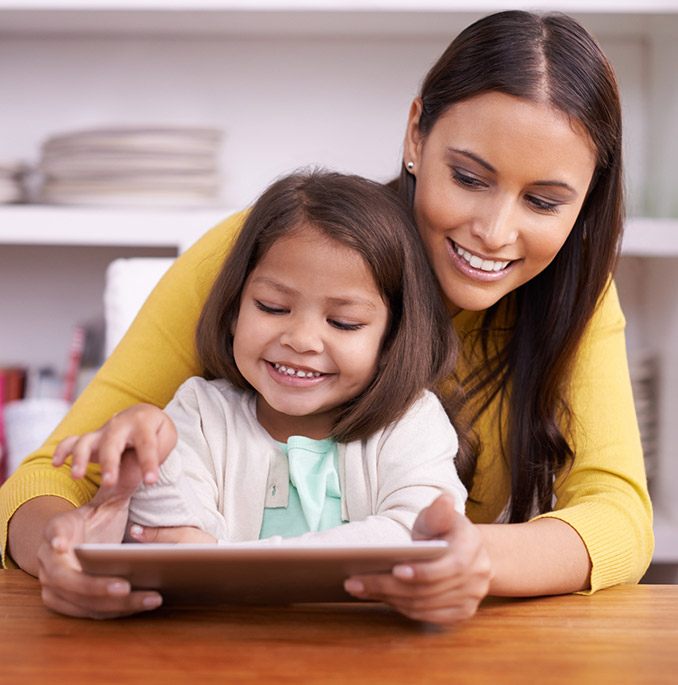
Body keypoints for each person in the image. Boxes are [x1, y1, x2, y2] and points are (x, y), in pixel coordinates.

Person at [0, 9, 653, 625]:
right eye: (469, 177)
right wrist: (57, 550)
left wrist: (474, 558)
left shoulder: (574, 298)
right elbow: (48, 477)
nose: (494, 230)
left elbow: (621, 517)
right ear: (417, 133)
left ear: (586, 201)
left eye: (542, 201)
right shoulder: (267, 256)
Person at [51, 170, 467, 552]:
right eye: (271, 307)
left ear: (392, 338)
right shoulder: (201, 412)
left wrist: (225, 556)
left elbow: (417, 534)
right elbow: (171, 538)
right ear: (234, 309)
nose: (302, 340)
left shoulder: (411, 422)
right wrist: (145, 462)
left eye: (343, 322)